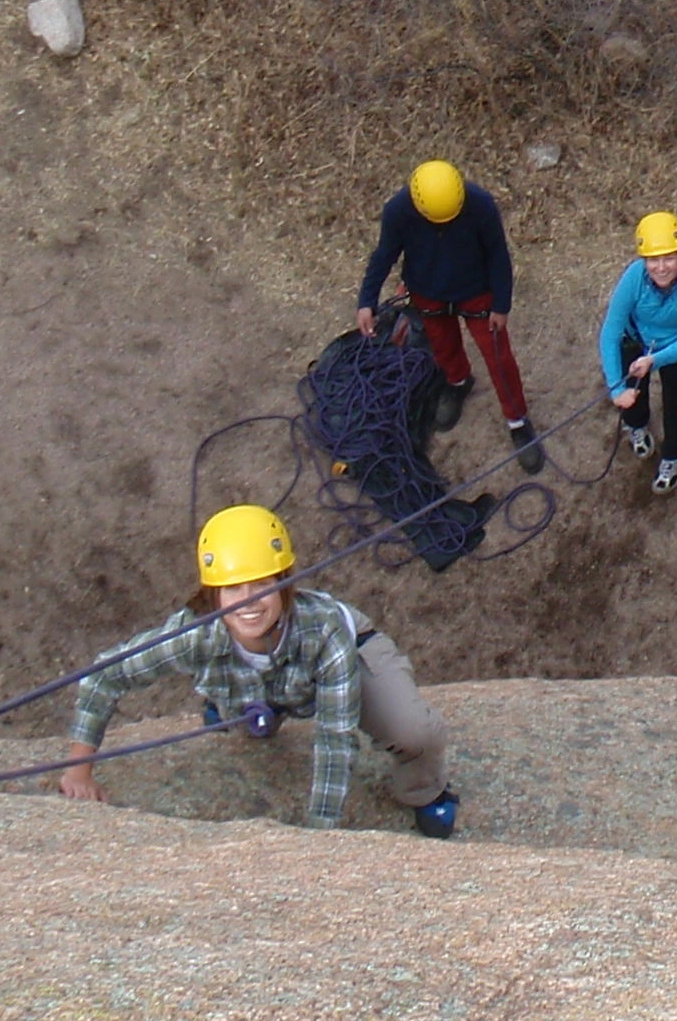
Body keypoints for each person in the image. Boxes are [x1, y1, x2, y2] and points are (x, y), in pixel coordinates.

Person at [61, 503, 458, 837]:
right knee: (238, 704)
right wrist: (80, 771)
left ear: (284, 583)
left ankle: (426, 791)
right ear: (212, 594)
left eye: (261, 585)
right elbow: (104, 675)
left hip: (342, 658)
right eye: (233, 589)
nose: (248, 602)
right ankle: (243, 706)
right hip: (256, 678)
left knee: (415, 733)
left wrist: (319, 835)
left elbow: (335, 741)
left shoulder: (324, 630)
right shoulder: (194, 634)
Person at [356, 159, 543, 475]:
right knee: (443, 346)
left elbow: (498, 254)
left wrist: (501, 305)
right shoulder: (398, 211)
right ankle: (458, 381)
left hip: (476, 291)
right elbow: (384, 254)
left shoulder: (481, 205)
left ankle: (517, 419)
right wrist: (367, 301)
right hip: (428, 291)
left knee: (499, 358)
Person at [599, 210, 677, 495]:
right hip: (636, 340)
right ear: (644, 260)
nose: (661, 267)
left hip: (674, 349)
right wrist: (616, 392)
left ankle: (674, 454)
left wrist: (654, 361)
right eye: (653, 260)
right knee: (631, 391)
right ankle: (636, 424)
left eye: (669, 258)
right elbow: (610, 333)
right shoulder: (634, 277)